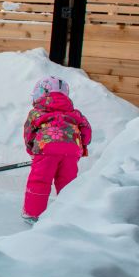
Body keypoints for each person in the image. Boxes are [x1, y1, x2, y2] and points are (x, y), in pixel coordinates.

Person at [21, 76, 92, 224]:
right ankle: (68, 214)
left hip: (46, 148)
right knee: (68, 182)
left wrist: (31, 149)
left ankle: (33, 214)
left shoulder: (36, 112)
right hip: (72, 151)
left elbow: (29, 132)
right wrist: (83, 145)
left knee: (40, 181)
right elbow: (86, 130)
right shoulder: (75, 113)